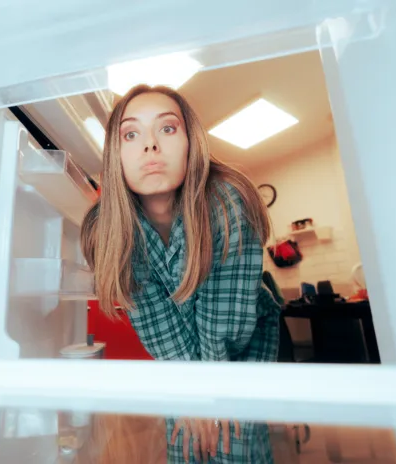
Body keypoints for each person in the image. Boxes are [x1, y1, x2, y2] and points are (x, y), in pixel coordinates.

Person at [80, 84, 280, 463]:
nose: (150, 146)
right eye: (131, 133)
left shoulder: (228, 202)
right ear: (115, 155)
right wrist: (190, 397)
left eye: (167, 129)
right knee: (186, 440)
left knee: (232, 440)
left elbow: (224, 328)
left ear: (192, 143)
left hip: (240, 347)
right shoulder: (108, 227)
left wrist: (209, 397)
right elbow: (157, 326)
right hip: (181, 358)